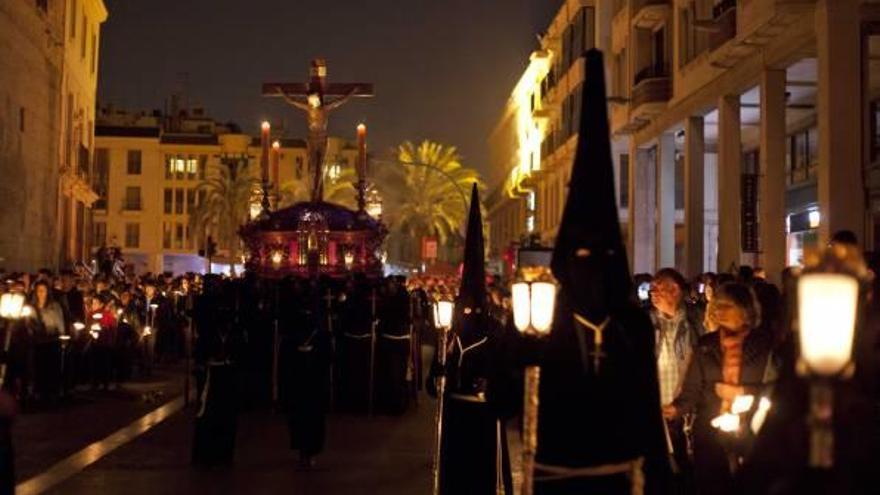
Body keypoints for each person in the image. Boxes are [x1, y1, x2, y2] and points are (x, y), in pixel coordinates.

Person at [530, 49, 669, 494]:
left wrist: (661, 477)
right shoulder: (546, 326)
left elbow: (647, 408)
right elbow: (510, 395)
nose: (588, 269)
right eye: (580, 258)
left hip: (618, 481)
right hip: (556, 481)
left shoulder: (632, 327)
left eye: (599, 257)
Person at [427, 183, 517, 494]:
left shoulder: (496, 332)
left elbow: (509, 378)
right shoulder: (451, 333)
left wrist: (494, 387)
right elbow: (439, 374)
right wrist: (438, 373)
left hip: (483, 418)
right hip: (455, 416)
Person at [665, 282, 778, 495]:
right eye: (718, 305)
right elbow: (692, 389)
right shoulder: (706, 345)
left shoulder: (764, 346)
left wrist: (744, 392)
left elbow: (778, 389)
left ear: (746, 310)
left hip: (751, 431)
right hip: (710, 434)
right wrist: (676, 409)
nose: (720, 311)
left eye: (728, 306)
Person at [280, 277, 333, 468]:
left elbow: (327, 356)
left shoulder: (321, 333)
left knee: (313, 416)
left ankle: (311, 450)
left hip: (314, 378)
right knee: (299, 415)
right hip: (299, 376)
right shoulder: (293, 330)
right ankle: (303, 449)